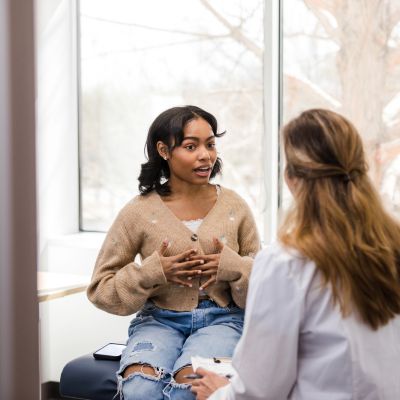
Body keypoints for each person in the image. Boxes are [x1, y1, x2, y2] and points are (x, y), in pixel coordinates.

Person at [191, 109, 400, 400]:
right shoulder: (392, 246)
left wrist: (218, 394)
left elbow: (257, 393)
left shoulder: (286, 265)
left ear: (291, 179)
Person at [87, 105, 261, 400]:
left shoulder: (235, 207)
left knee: (189, 390)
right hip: (158, 321)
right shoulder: (139, 212)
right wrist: (154, 273)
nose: (205, 155)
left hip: (224, 319)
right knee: (140, 391)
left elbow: (266, 286)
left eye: (210, 144)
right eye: (191, 146)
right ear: (164, 150)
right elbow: (101, 289)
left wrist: (233, 267)